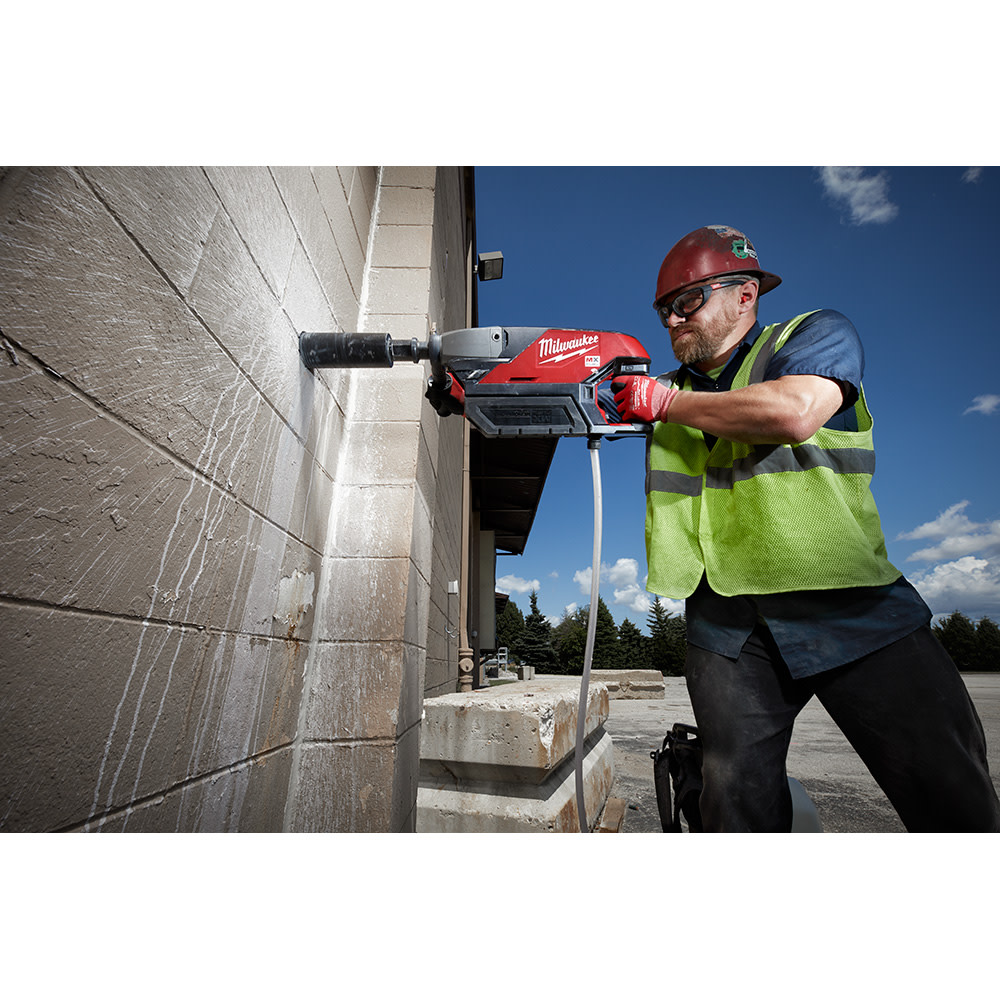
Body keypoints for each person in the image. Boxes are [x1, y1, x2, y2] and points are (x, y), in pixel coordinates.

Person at [610, 224, 1000, 833]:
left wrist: (664, 405)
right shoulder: (659, 389)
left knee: (948, 788)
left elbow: (794, 412)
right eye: (665, 309)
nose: (672, 320)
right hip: (727, 621)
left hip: (850, 603)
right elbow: (557, 390)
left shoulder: (811, 336)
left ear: (745, 294)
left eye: (688, 301)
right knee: (732, 800)